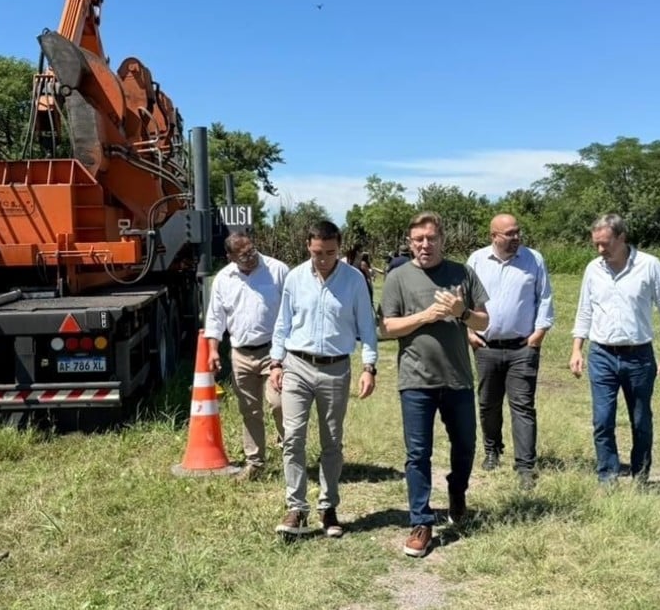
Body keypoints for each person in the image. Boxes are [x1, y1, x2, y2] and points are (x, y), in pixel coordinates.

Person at [380, 211, 489, 558]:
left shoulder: (462, 273)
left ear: (442, 239)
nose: (424, 245)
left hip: (457, 378)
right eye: (418, 239)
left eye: (431, 238)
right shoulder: (398, 277)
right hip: (415, 380)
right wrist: (425, 317)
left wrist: (462, 312)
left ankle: (457, 491)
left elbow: (484, 321)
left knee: (465, 446)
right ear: (410, 242)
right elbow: (388, 327)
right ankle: (421, 521)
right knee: (417, 454)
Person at [269, 220, 378, 538]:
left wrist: (368, 367)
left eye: (330, 253)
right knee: (293, 438)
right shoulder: (295, 278)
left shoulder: (354, 280)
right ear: (308, 246)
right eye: (318, 252)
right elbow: (282, 324)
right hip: (297, 365)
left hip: (335, 368)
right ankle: (296, 508)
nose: (323, 259)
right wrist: (276, 363)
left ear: (339, 248)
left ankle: (328, 508)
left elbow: (367, 328)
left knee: (332, 442)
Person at [570, 213, 660, 487]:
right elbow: (585, 310)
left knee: (641, 420)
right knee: (602, 420)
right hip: (601, 355)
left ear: (622, 237)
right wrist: (577, 349)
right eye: (596, 244)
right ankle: (607, 476)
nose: (600, 250)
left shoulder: (649, 265)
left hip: (639, 356)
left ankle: (641, 476)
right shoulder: (593, 269)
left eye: (605, 243)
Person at [465, 214, 553, 490]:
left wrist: (539, 333)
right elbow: (463, 299)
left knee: (523, 406)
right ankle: (492, 450)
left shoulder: (533, 259)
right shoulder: (476, 260)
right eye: (509, 234)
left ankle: (525, 465)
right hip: (486, 346)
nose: (516, 238)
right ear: (494, 236)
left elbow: (545, 298)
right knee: (488, 403)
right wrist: (468, 333)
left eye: (518, 232)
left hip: (522, 347)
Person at [203, 231, 290, 480]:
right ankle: (255, 463)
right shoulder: (223, 279)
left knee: (280, 403)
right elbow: (215, 318)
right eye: (243, 255)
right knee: (249, 410)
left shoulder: (277, 270)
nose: (251, 257)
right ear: (230, 257)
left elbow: (293, 308)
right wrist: (212, 350)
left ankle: (291, 453)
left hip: (275, 351)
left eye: (252, 250)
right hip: (240, 353)